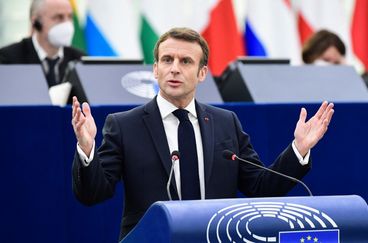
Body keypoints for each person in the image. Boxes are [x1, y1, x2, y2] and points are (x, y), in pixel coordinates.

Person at [71, 27, 334, 240]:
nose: (174, 68)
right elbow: (93, 193)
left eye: (185, 61)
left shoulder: (225, 122)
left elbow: (260, 188)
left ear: (202, 73)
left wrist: (298, 149)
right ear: (155, 69)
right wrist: (86, 149)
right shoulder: (125, 125)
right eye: (167, 60)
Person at [0, 0, 84, 88]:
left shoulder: (79, 60)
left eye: (70, 17)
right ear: (36, 22)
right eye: (59, 17)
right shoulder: (8, 59)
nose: (67, 24)